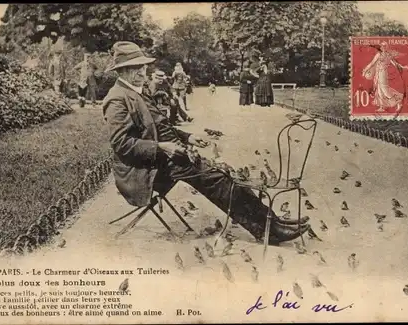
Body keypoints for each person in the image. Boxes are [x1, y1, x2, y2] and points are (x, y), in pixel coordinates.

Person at [102, 41, 311, 245]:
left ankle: (272, 220)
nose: (142, 72)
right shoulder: (117, 99)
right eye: (135, 68)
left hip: (167, 156)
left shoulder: (137, 91)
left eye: (143, 66)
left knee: (224, 174)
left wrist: (187, 138)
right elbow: (122, 145)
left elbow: (159, 128)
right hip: (144, 170)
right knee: (217, 179)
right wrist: (162, 147)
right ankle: (268, 231)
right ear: (122, 71)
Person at [362, 41, 408, 112]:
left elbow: (395, 63)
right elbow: (372, 63)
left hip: (383, 73)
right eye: (382, 46)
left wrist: (403, 67)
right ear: (380, 47)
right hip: (378, 73)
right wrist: (365, 70)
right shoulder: (378, 54)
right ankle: (382, 106)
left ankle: (398, 102)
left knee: (385, 89)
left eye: (385, 46)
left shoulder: (388, 55)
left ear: (387, 47)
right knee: (379, 90)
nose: (383, 47)